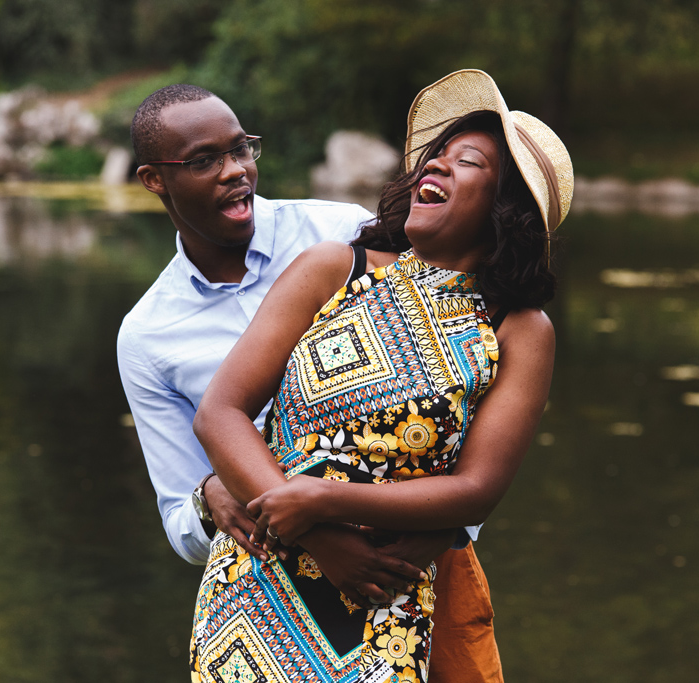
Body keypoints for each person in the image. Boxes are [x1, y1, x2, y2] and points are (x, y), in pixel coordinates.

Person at [190, 69, 573, 682]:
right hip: (255, 592)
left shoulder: (519, 329)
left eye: (466, 161)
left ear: (507, 208)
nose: (436, 167)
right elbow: (220, 413)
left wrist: (328, 499)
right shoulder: (334, 270)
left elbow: (478, 490)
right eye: (436, 156)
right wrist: (316, 535)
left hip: (381, 601)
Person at [117, 83, 506, 681]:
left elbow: (462, 355)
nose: (235, 171)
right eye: (204, 161)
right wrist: (211, 499)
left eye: (241, 149)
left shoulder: (343, 234)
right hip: (262, 596)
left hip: (407, 564)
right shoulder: (148, 336)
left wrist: (443, 529)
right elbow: (182, 520)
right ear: (153, 180)